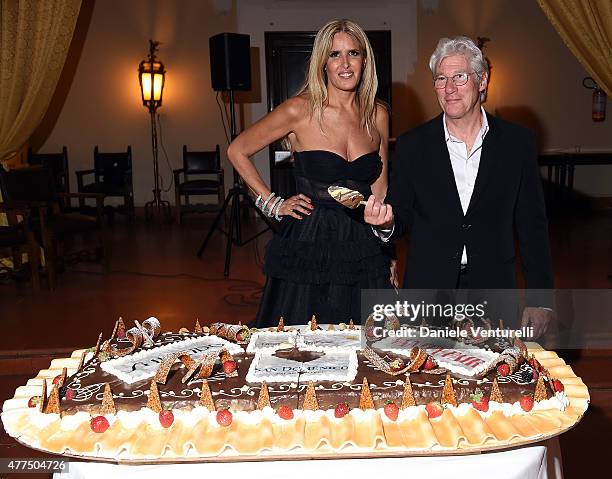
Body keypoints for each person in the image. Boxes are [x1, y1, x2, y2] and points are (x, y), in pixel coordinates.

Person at [364, 35, 554, 338]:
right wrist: (385, 224)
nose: (449, 88)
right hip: (428, 292)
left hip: (493, 291)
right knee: (427, 380)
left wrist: (540, 299)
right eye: (441, 78)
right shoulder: (414, 145)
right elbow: (400, 213)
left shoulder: (517, 143)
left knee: (491, 378)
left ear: (482, 81)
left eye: (459, 77)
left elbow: (532, 225)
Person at [227, 19, 393, 327]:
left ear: (365, 61)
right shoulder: (298, 110)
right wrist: (273, 203)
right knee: (300, 348)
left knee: (368, 347)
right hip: (309, 242)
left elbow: (379, 191)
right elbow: (237, 150)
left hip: (362, 244)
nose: (345, 64)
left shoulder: (377, 114)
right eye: (334, 55)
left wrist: (387, 249)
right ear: (322, 63)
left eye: (353, 53)